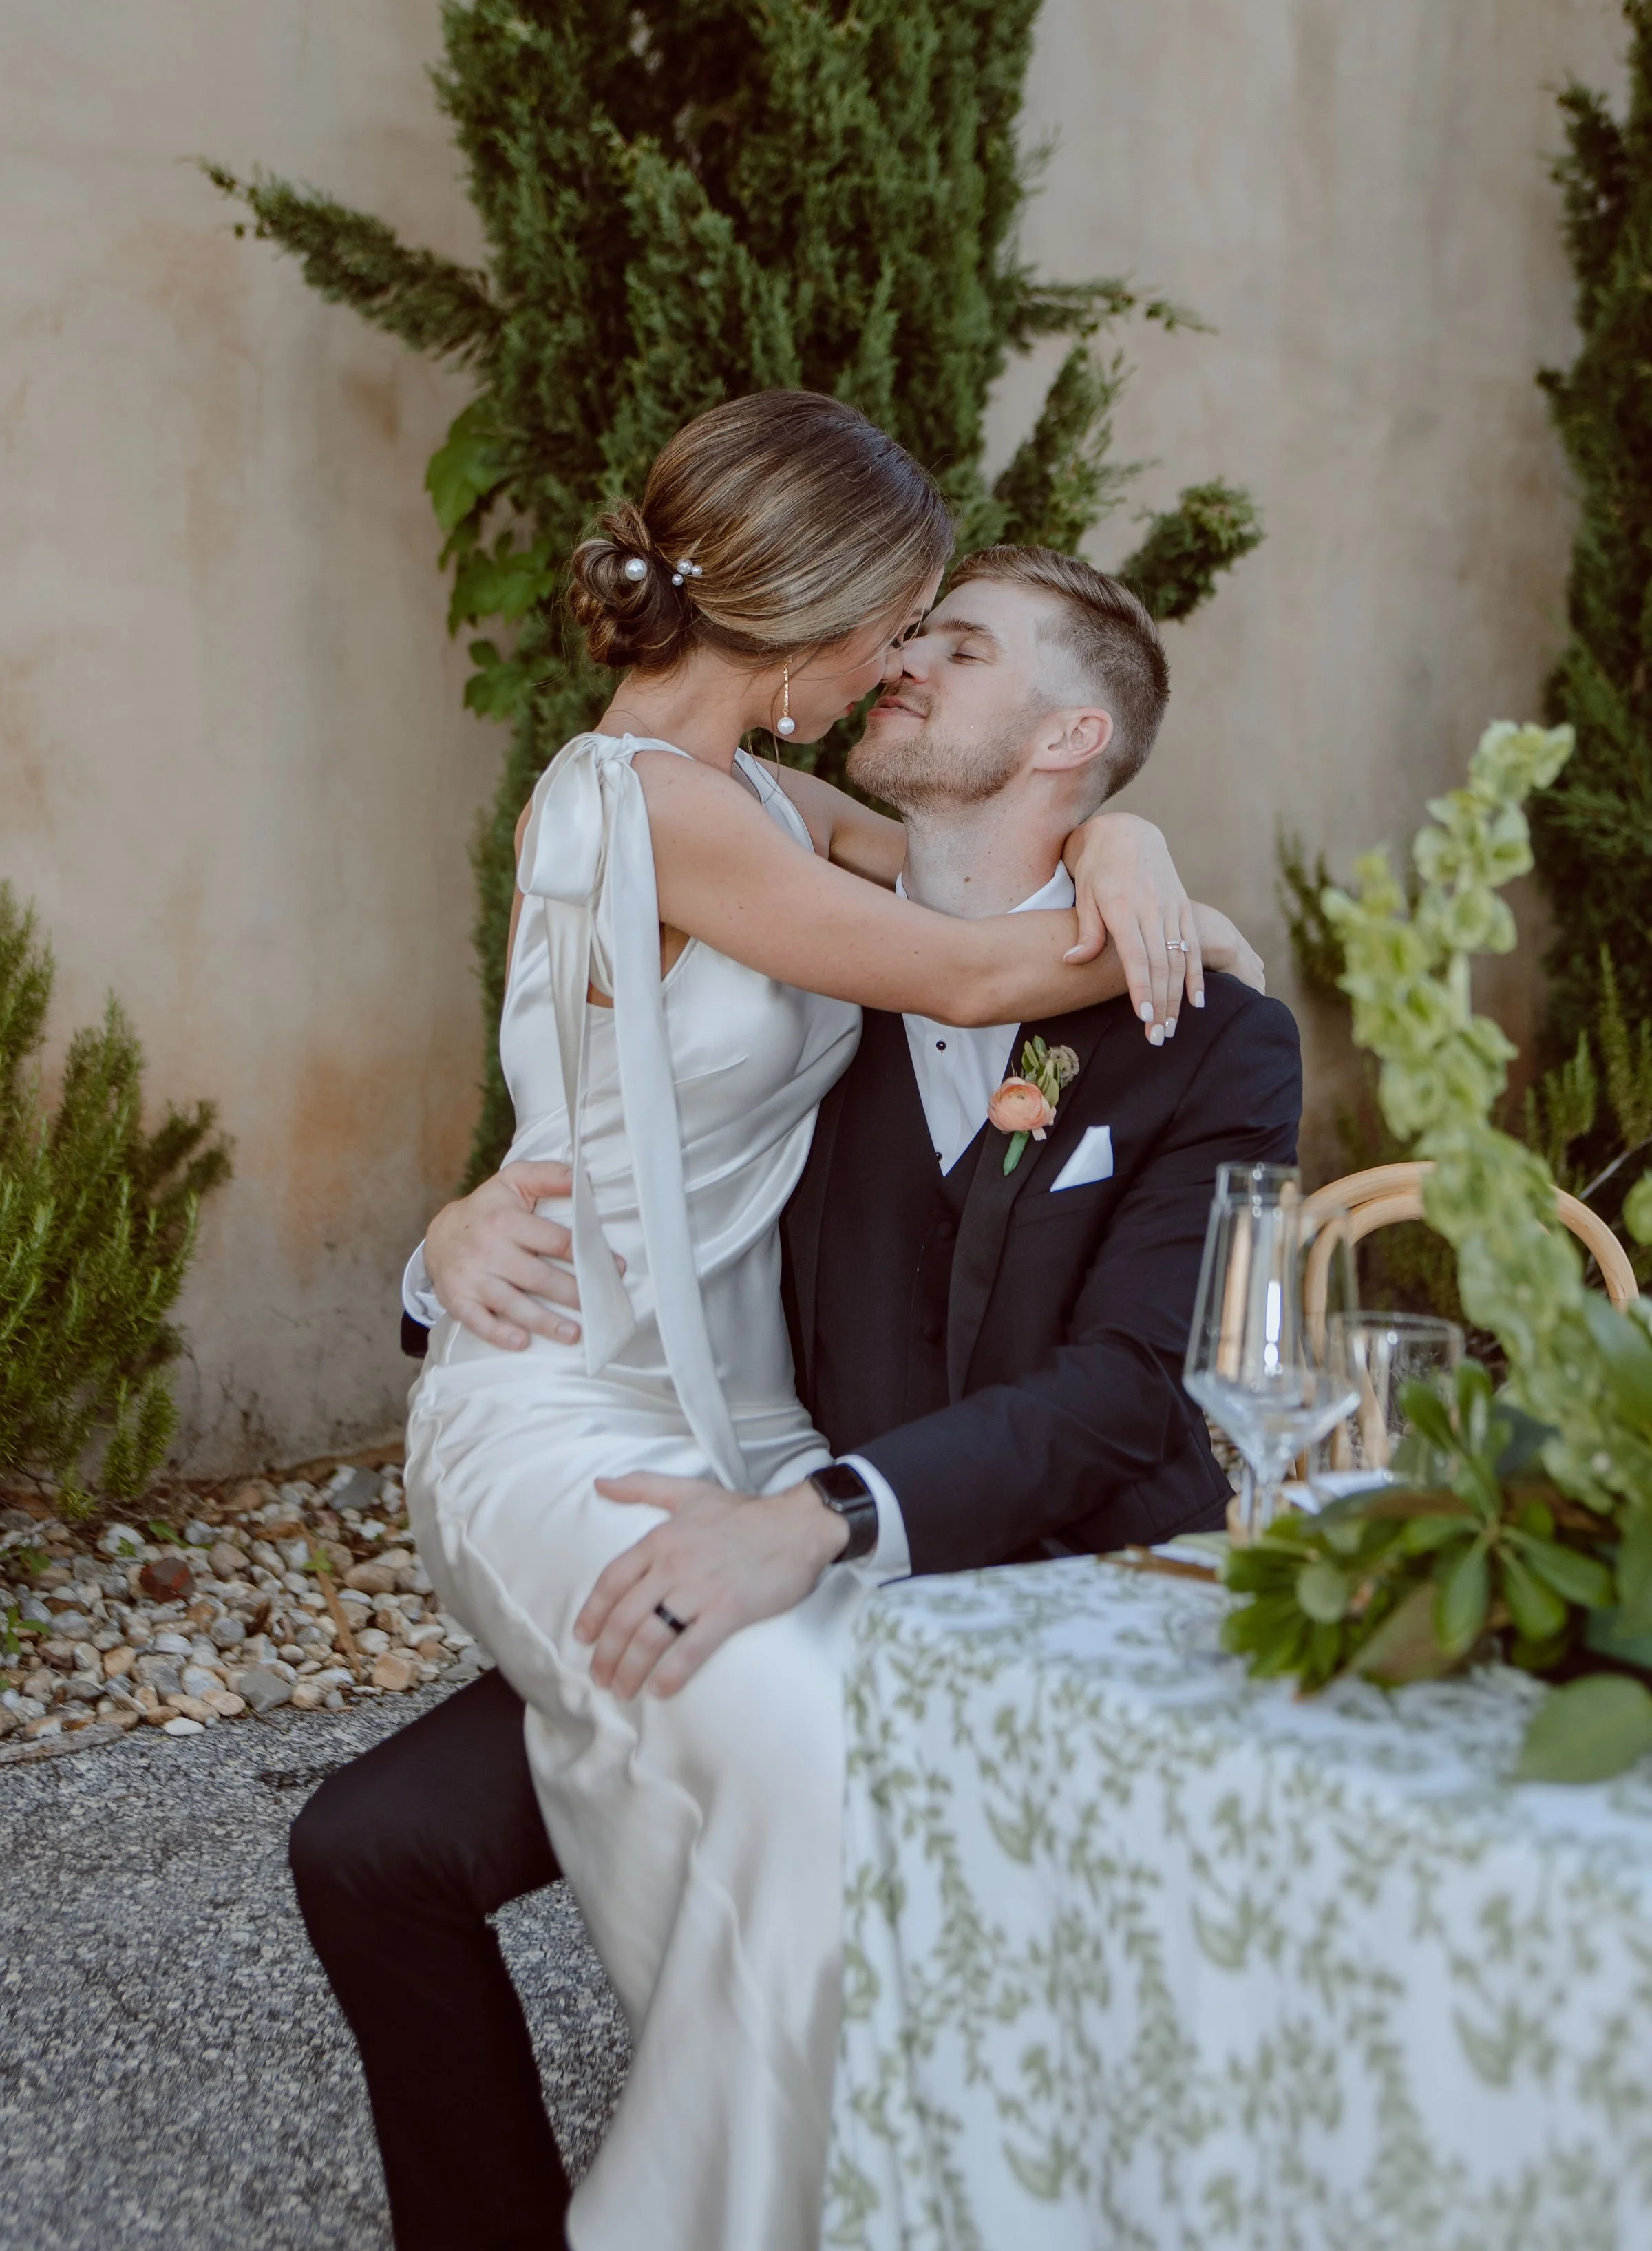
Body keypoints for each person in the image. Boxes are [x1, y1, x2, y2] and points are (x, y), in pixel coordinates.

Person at [292, 395, 1286, 2251]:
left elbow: (939, 912)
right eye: (903, 622)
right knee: (808, 1770)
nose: (898, 660)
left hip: (766, 1452)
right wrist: (447, 1250)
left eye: (944, 642)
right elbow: (972, 968)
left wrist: (1133, 848)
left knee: (785, 1799)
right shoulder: (650, 803)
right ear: (811, 613)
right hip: (595, 1411)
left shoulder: (768, 806)